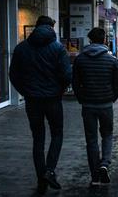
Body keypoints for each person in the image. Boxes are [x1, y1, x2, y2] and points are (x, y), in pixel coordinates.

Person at [9, 16, 72, 194]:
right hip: (53, 99)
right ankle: (50, 170)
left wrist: (26, 91)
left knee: (38, 138)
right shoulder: (58, 48)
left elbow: (13, 74)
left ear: (36, 27)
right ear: (51, 27)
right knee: (57, 134)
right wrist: (59, 89)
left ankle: (41, 177)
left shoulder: (21, 48)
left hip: (32, 101)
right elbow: (67, 75)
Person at [72, 28, 118, 186]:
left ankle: (94, 175)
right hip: (106, 104)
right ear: (104, 40)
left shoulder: (80, 59)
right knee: (107, 135)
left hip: (88, 105)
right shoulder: (112, 60)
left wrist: (81, 98)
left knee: (91, 139)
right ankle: (104, 164)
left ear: (90, 40)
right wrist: (112, 97)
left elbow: (75, 82)